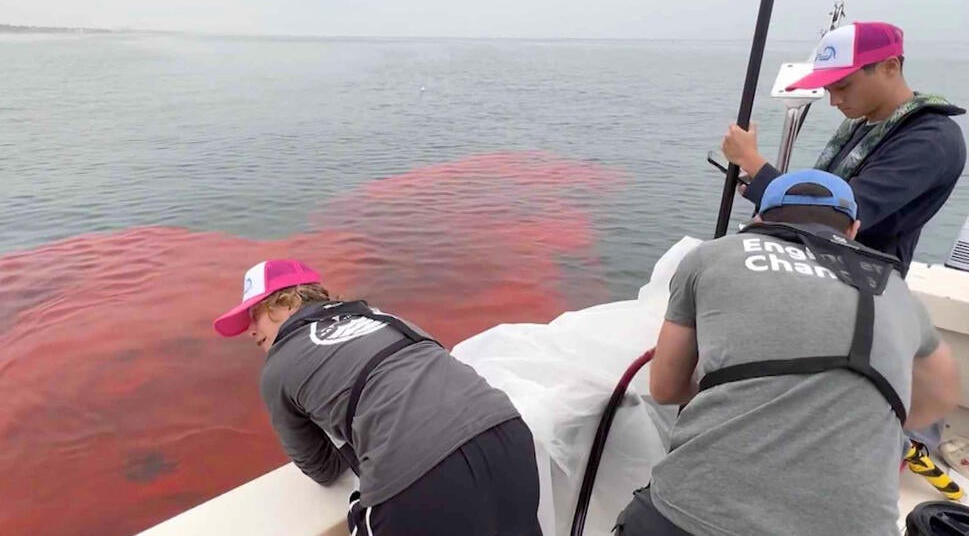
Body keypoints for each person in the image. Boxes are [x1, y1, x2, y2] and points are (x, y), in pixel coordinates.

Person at [613, 170, 961, 535]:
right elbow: (941, 396)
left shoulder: (711, 256)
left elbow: (666, 387)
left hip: (691, 514)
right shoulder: (895, 288)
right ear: (853, 230)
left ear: (759, 220)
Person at [213, 259, 543, 536]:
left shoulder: (279, 365)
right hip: (508, 435)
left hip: (418, 477)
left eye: (254, 314)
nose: (250, 331)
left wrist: (339, 421)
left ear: (286, 303)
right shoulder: (382, 317)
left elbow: (322, 469)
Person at [722, 21, 966, 278]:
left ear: (890, 67)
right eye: (828, 89)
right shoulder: (864, 124)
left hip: (861, 285)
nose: (834, 101)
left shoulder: (931, 139)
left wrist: (752, 162)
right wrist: (758, 182)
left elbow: (839, 216)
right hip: (815, 267)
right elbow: (820, 196)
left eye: (843, 86)